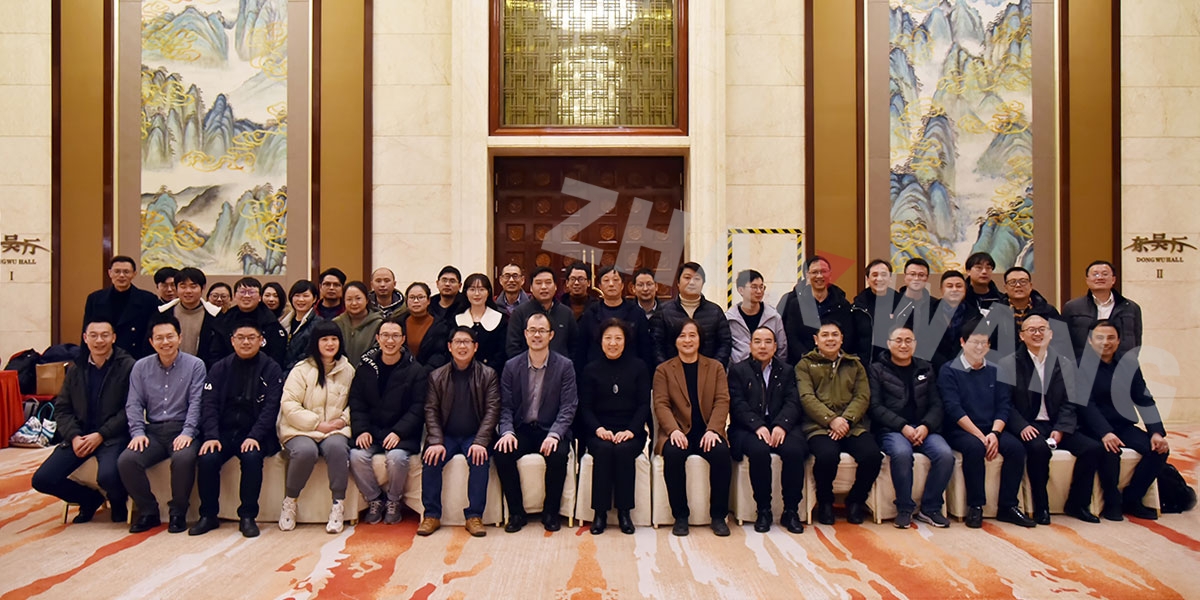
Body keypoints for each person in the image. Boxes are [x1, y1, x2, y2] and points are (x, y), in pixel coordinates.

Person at [998, 315, 1102, 525]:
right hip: (1028, 424)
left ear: (1051, 334)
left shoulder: (1064, 363)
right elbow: (1005, 402)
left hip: (1056, 424)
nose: (1037, 334)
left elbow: (1070, 401)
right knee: (1039, 450)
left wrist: (1061, 428)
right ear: (1021, 336)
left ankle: (1078, 504)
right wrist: (1022, 426)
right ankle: (1041, 507)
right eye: (1031, 330)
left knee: (1092, 449)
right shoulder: (1008, 364)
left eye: (1042, 329)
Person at [31, 319, 135, 524]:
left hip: (112, 436)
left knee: (108, 476)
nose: (99, 340)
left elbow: (130, 409)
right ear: (85, 338)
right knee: (42, 480)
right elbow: (62, 408)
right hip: (79, 435)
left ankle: (118, 502)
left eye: (105, 335)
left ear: (114, 338)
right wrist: (74, 436)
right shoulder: (76, 367)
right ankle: (89, 499)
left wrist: (101, 434)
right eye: (93, 335)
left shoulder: (128, 366)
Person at [938, 319, 1035, 528]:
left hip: (991, 428)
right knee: (974, 448)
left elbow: (1004, 405)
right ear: (963, 342)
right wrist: (981, 437)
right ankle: (976, 506)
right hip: (961, 429)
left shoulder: (996, 370)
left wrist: (994, 434)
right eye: (975, 342)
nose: (979, 347)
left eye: (984, 343)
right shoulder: (949, 370)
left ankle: (1008, 506)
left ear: (989, 346)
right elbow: (954, 409)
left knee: (1016, 448)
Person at [191, 323, 284, 538]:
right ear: (232, 341)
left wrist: (254, 436)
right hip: (223, 432)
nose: (246, 342)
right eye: (240, 337)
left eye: (251, 337)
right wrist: (211, 436)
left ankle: (248, 516)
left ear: (261, 340)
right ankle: (208, 515)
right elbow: (209, 404)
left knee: (252, 457)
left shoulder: (271, 369)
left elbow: (271, 408)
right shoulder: (219, 368)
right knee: (207, 457)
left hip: (255, 433)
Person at [118, 312, 205, 534]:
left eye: (170, 336)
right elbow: (134, 403)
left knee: (183, 458)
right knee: (127, 460)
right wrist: (138, 432)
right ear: (151, 341)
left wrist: (188, 432)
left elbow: (197, 403)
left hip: (183, 428)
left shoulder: (195, 365)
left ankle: (178, 512)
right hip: (153, 431)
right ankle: (148, 511)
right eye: (159, 338)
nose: (165, 342)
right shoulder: (140, 367)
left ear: (180, 338)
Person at [495, 313, 578, 533]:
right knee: (502, 453)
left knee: (558, 454)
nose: (537, 335)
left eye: (542, 331)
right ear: (525, 334)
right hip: (522, 429)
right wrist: (507, 432)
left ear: (551, 335)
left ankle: (551, 513)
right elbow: (505, 406)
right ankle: (516, 513)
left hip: (550, 429)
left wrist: (555, 434)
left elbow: (568, 406)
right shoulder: (512, 366)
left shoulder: (565, 366)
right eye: (532, 330)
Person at [1079, 320, 1169, 521]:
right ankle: (1112, 503)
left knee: (1159, 450)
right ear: (1090, 341)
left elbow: (1143, 399)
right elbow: (1086, 405)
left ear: (1119, 341)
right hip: (1091, 427)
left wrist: (1156, 431)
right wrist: (1104, 432)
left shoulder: (1129, 364)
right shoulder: (1080, 366)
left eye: (1111, 337)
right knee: (1109, 451)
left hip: (1122, 424)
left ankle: (1132, 499)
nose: (1106, 342)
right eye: (1100, 337)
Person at [416, 327, 501, 538]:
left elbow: (492, 410)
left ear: (475, 347)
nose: (462, 346)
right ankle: (431, 515)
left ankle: (474, 516)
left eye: (467, 342)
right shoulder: (437, 376)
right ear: (449, 346)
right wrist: (436, 440)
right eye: (458, 342)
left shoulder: (488, 375)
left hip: (475, 435)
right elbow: (430, 410)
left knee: (480, 459)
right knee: (431, 458)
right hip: (447, 436)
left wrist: (481, 441)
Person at [796, 320, 881, 525]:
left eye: (835, 335)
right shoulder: (805, 365)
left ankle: (856, 500)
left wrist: (846, 420)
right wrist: (831, 420)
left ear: (842, 339)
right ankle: (825, 502)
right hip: (818, 426)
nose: (830, 339)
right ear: (816, 340)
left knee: (872, 456)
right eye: (825, 335)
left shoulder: (855, 365)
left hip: (852, 425)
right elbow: (806, 397)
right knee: (827, 456)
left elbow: (862, 396)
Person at [868, 326, 953, 529]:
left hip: (924, 428)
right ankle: (904, 508)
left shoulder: (926, 368)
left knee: (945, 455)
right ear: (888, 344)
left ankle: (930, 508)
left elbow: (937, 404)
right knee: (901, 453)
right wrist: (902, 426)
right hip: (892, 429)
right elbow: (875, 406)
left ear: (915, 344)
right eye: (898, 340)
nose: (903, 345)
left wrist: (926, 426)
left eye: (908, 340)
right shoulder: (876, 369)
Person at [653, 320, 732, 537]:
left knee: (721, 453)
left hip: (707, 431)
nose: (687, 340)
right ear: (675, 341)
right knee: (673, 454)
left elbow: (722, 400)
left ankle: (718, 516)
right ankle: (680, 516)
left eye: (692, 335)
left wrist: (714, 430)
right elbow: (661, 404)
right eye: (682, 336)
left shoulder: (715, 367)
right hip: (678, 431)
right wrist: (673, 430)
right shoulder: (664, 370)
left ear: (700, 339)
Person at [277, 321, 354, 534]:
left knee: (338, 449)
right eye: (324, 339)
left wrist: (342, 421)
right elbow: (289, 404)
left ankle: (338, 505)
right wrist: (317, 424)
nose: (330, 344)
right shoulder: (301, 370)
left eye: (334, 339)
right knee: (305, 451)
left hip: (335, 429)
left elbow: (356, 402)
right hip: (300, 429)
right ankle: (290, 501)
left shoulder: (348, 369)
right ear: (315, 342)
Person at [728, 327, 807, 534]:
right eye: (757, 341)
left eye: (768, 342)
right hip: (747, 427)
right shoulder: (738, 370)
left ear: (775, 346)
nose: (762, 346)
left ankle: (791, 510)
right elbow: (737, 404)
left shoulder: (787, 370)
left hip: (781, 425)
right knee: (759, 451)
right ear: (750, 345)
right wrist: (757, 425)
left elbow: (793, 402)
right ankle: (763, 510)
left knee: (794, 451)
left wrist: (781, 425)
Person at [348, 318, 427, 525]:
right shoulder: (366, 367)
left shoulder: (415, 370)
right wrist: (362, 430)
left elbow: (418, 407)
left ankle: (393, 500)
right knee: (356, 456)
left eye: (395, 336)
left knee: (397, 458)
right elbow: (356, 402)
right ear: (377, 338)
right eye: (385, 335)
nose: (390, 341)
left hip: (402, 434)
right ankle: (374, 499)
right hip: (372, 431)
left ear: (403, 339)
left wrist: (399, 432)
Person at [577, 319, 650, 535]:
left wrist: (631, 431)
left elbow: (643, 405)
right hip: (599, 430)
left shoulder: (639, 367)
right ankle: (599, 514)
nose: (613, 343)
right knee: (604, 449)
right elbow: (585, 407)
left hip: (631, 430)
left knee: (623, 450)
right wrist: (598, 429)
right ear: (600, 341)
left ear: (626, 341)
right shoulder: (590, 369)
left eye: (618, 338)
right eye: (608, 338)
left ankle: (624, 513)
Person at [778, 255, 867, 365]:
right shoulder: (795, 304)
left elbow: (848, 335)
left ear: (830, 274)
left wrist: (832, 357)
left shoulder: (842, 304)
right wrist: (809, 359)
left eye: (823, 271)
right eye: (815, 272)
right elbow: (792, 336)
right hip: (803, 364)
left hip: (836, 364)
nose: (819, 276)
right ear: (807, 275)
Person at [649, 262, 732, 367]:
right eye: (687, 278)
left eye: (697, 279)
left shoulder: (715, 311)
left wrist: (713, 369)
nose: (692, 282)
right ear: (678, 282)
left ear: (703, 283)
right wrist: (667, 370)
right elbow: (656, 345)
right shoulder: (663, 311)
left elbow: (725, 343)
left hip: (707, 371)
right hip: (672, 372)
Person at [577, 266, 654, 371]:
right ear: (600, 286)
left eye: (615, 280)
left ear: (622, 285)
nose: (611, 284)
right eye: (606, 280)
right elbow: (581, 349)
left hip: (630, 372)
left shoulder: (636, 312)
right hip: (597, 372)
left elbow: (645, 349)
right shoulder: (590, 313)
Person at [82, 255, 161, 358]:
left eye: (126, 272)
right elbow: (87, 331)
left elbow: (152, 333)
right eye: (117, 271)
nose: (121, 275)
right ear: (110, 273)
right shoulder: (95, 299)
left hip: (135, 357)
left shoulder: (148, 300)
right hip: (103, 356)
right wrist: (84, 360)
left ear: (134, 274)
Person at [1061, 260, 1143, 357]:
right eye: (1095, 274)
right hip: (1083, 363)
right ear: (1087, 280)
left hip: (1121, 364)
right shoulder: (1072, 307)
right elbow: (1064, 340)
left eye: (1105, 274)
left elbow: (1137, 340)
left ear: (1113, 279)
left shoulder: (1131, 307)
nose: (1100, 277)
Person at [211, 277, 289, 368]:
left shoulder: (271, 322)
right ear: (235, 296)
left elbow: (277, 357)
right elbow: (215, 354)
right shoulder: (224, 321)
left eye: (252, 292)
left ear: (260, 297)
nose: (247, 296)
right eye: (242, 292)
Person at [506, 266, 579, 358]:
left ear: (555, 286)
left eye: (548, 282)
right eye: (538, 283)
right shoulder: (519, 313)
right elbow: (513, 347)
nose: (544, 287)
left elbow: (574, 347)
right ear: (531, 288)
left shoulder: (566, 313)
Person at [158, 267, 221, 366]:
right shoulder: (164, 313)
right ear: (176, 288)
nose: (188, 291)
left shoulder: (215, 315)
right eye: (183, 286)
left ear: (203, 287)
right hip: (168, 367)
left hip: (204, 369)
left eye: (193, 286)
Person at [727, 269, 787, 364]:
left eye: (761, 287)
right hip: (739, 370)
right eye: (754, 287)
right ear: (741, 290)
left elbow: (782, 348)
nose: (759, 291)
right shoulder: (730, 319)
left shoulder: (773, 317)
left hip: (769, 369)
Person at [455, 273, 509, 372]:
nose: (477, 294)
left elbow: (501, 354)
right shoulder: (457, 319)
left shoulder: (500, 319)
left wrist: (486, 373)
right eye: (472, 289)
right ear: (465, 292)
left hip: (492, 374)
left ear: (488, 292)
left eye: (481, 289)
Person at [928, 271, 978, 373]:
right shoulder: (929, 313)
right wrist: (945, 366)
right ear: (941, 290)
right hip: (933, 370)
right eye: (949, 286)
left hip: (967, 370)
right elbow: (924, 346)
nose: (954, 289)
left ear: (965, 289)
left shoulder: (975, 316)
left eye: (959, 286)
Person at [998, 267, 1060, 345]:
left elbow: (1060, 340)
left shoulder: (1048, 311)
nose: (1018, 285)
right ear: (1006, 288)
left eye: (1023, 281)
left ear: (1030, 286)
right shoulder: (996, 312)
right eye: (1012, 282)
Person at [852, 259, 897, 362]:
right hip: (865, 364)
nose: (879, 279)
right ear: (867, 279)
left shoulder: (901, 305)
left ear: (890, 278)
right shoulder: (858, 307)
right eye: (875, 275)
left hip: (894, 365)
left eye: (884, 275)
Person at [401, 282, 452, 369]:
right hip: (401, 372)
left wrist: (422, 372)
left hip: (429, 372)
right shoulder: (398, 323)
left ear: (428, 300)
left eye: (420, 297)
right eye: (412, 297)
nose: (416, 301)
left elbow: (439, 355)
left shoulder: (440, 326)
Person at [333, 281, 383, 368]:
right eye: (349, 299)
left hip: (369, 372)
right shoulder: (336, 323)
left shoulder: (379, 324)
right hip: (341, 372)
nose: (354, 303)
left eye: (358, 298)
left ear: (367, 300)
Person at [281, 280, 323, 375]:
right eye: (297, 295)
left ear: (314, 299)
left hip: (303, 374)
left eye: (305, 296)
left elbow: (308, 355)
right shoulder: (284, 323)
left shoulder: (318, 325)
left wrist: (287, 373)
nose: (301, 299)